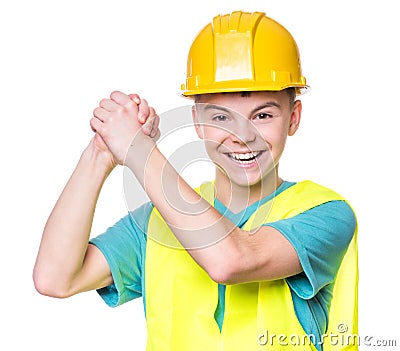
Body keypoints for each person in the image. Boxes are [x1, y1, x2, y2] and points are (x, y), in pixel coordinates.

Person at [33, 11, 358, 351]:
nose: (242, 136)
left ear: (293, 118)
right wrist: (101, 153)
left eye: (263, 115)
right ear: (197, 123)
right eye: (221, 117)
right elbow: (55, 278)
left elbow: (231, 260)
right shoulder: (159, 221)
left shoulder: (328, 214)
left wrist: (138, 150)